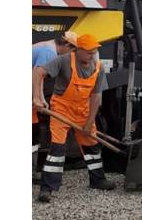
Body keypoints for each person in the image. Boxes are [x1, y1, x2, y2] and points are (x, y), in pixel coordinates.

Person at [33, 34, 115, 203]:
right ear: (78, 50)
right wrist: (37, 97)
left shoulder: (98, 68)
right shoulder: (63, 61)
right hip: (62, 109)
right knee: (57, 148)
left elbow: (96, 97)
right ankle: (47, 189)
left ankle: (98, 180)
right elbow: (39, 72)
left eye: (94, 52)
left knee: (92, 146)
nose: (92, 55)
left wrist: (90, 122)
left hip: (83, 111)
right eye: (89, 52)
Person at [32, 31, 78, 180]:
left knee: (34, 131)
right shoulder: (49, 52)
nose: (71, 54)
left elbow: (40, 77)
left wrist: (39, 99)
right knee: (32, 132)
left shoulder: (47, 47)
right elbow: (36, 74)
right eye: (72, 50)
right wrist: (37, 98)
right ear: (66, 45)